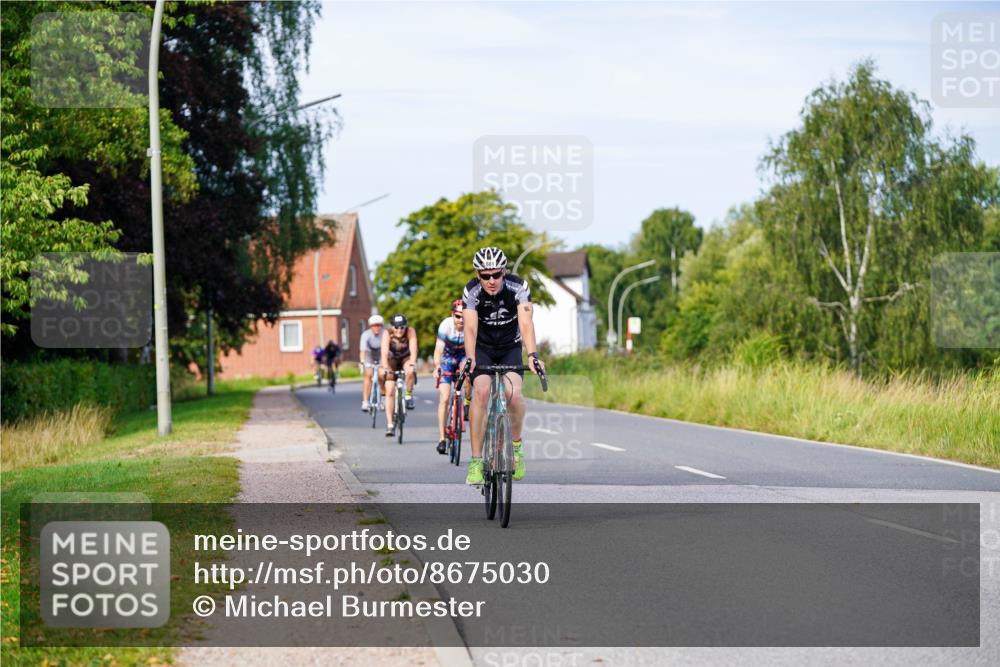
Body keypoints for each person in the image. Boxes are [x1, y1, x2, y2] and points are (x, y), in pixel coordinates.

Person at [461, 246, 545, 485]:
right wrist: (470, 357)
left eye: (496, 274)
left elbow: (526, 323)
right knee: (481, 391)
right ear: (478, 275)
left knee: (513, 393)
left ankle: (516, 448)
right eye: (485, 275)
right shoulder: (471, 291)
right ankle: (476, 461)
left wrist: (533, 354)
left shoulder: (518, 287)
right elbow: (469, 327)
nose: (491, 280)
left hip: (510, 347)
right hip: (482, 349)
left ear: (504, 272)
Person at [434, 299, 471, 455]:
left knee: (468, 373)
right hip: (447, 359)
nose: (461, 320)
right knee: (444, 398)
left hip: (463, 357)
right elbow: (438, 350)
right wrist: (437, 367)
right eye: (457, 316)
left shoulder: (471, 326)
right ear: (452, 315)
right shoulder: (445, 326)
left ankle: (467, 403)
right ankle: (442, 439)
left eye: (464, 316)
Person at [380, 313, 418, 436]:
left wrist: (412, 363)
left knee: (410, 370)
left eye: (402, 327)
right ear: (392, 327)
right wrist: (385, 367)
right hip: (392, 360)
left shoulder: (410, 331)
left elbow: (413, 349)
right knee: (390, 390)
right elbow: (384, 351)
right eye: (396, 327)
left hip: (405, 359)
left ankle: (408, 395)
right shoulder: (387, 333)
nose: (399, 330)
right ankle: (390, 424)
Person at [358, 315, 385, 412]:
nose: (377, 328)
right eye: (374, 326)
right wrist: (362, 363)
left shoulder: (384, 334)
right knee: (368, 375)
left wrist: (385, 363)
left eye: (379, 325)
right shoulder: (366, 335)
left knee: (382, 375)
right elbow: (363, 351)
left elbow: (387, 350)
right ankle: (365, 401)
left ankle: (383, 398)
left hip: (382, 354)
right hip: (369, 355)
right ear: (371, 326)